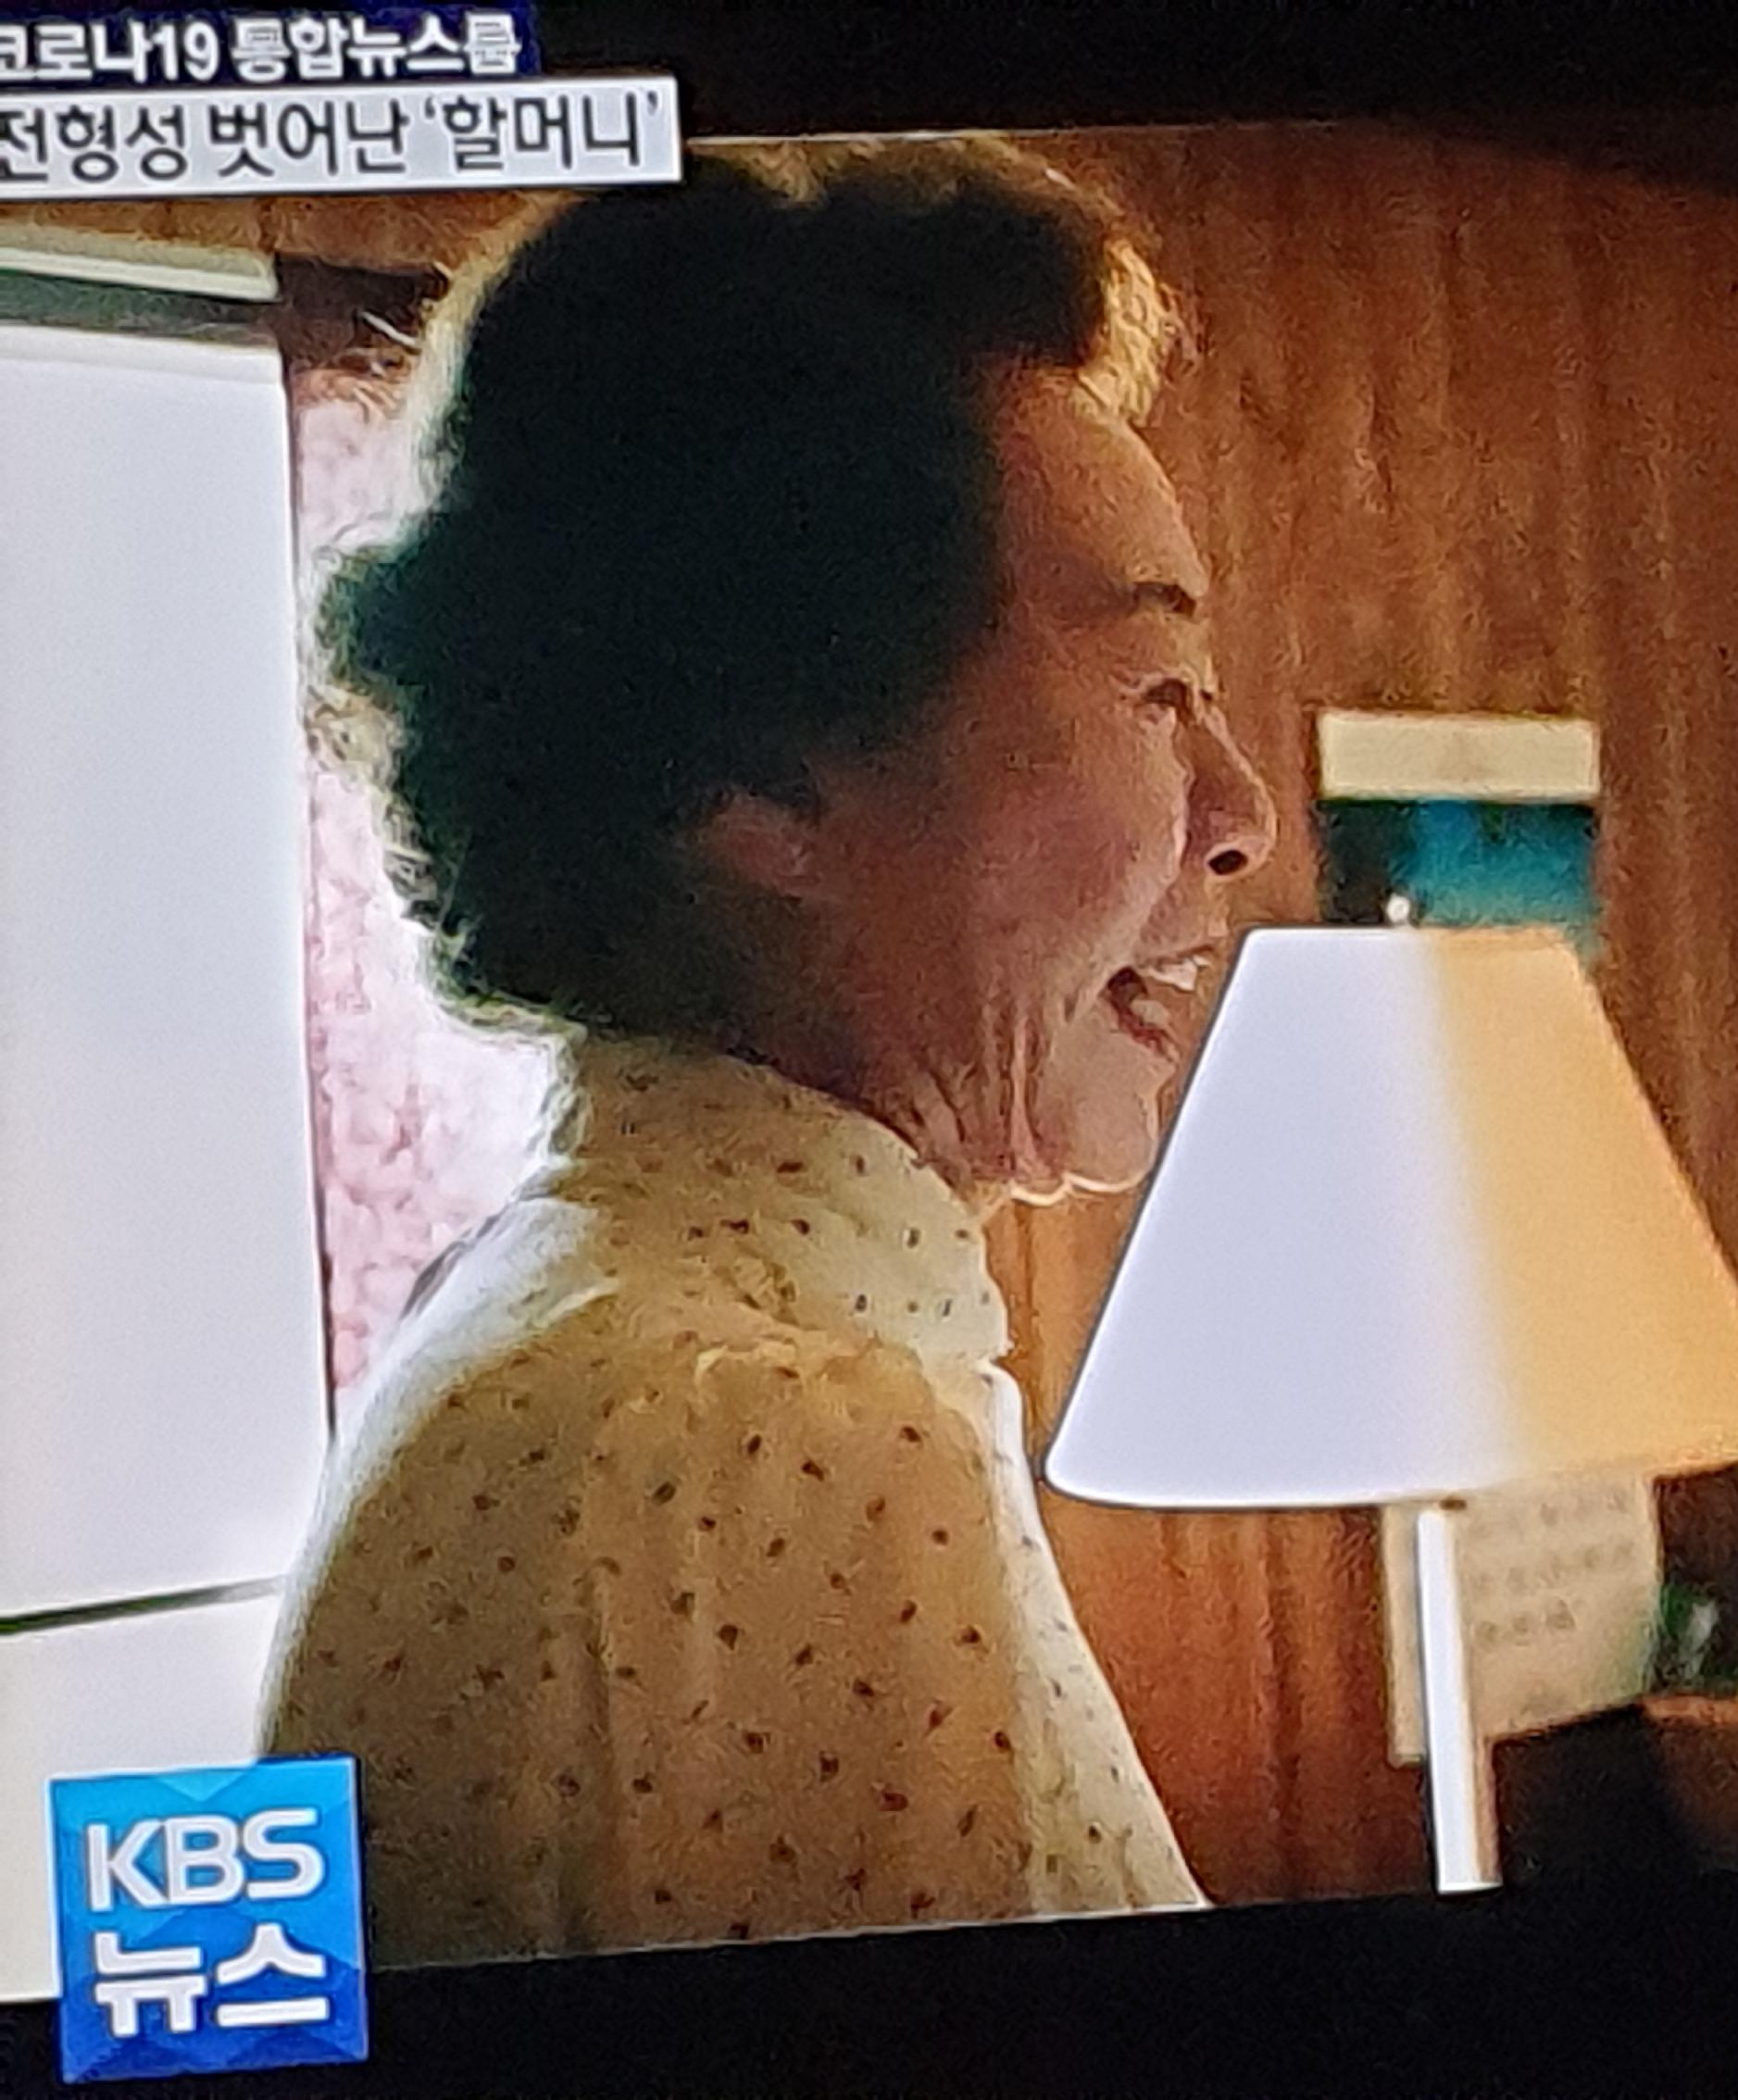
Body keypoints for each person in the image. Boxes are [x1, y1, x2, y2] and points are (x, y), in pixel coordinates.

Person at [261, 141, 1278, 1962]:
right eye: (1152, 691)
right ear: (758, 773)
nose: (1241, 812)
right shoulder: (768, 1431)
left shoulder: (548, 1309)